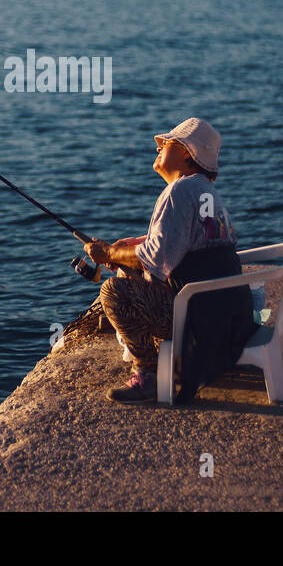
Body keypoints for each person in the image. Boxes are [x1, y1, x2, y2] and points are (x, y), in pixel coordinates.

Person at [82, 118, 240, 403]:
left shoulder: (179, 192)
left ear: (187, 153)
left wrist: (109, 254)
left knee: (114, 293)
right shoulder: (205, 192)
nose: (158, 147)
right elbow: (188, 244)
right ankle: (149, 351)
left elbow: (157, 258)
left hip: (194, 315)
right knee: (129, 274)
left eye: (166, 143)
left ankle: (148, 374)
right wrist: (131, 248)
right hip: (226, 311)